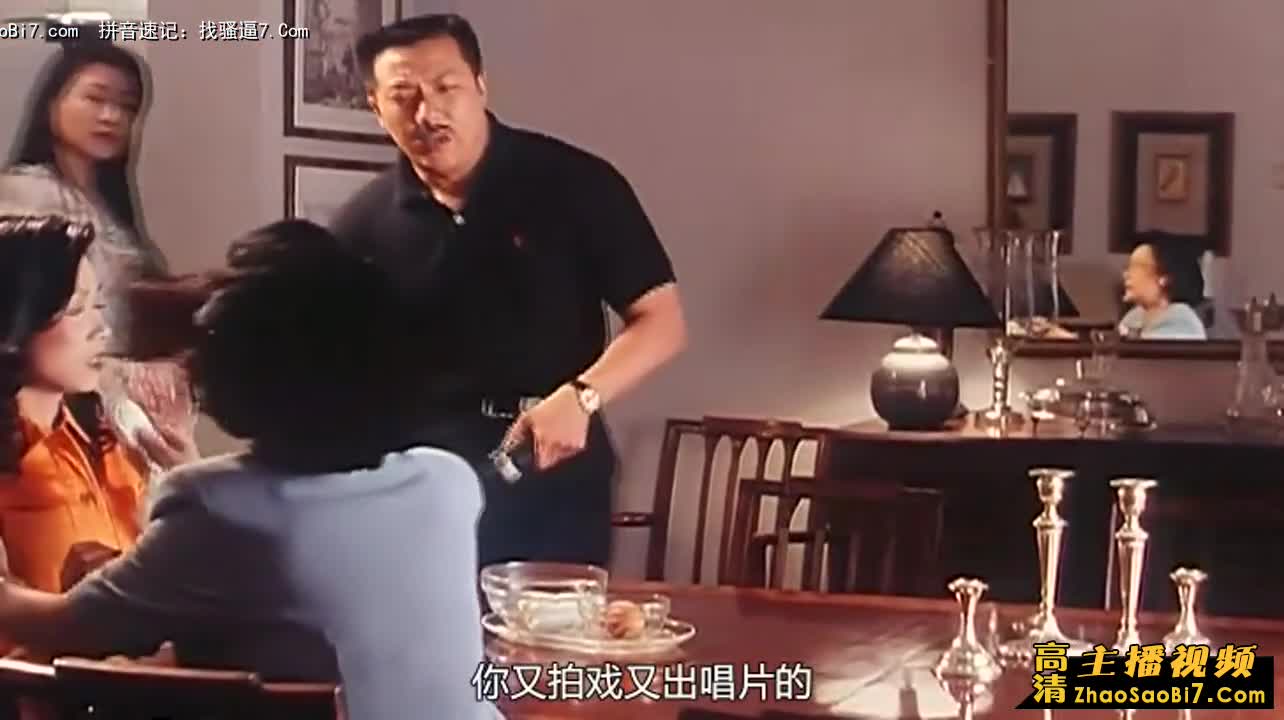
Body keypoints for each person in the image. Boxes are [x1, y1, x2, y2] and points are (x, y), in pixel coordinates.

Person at [0, 220, 498, 720]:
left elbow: (68, 627)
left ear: (238, 369)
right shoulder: (449, 483)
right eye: (77, 308)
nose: (102, 329)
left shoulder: (213, 506)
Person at [333, 14, 687, 569]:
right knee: (436, 626)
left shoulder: (575, 182)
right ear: (377, 108)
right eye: (403, 97)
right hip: (423, 480)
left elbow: (662, 322)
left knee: (554, 624)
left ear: (480, 86)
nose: (428, 113)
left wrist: (582, 397)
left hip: (557, 464)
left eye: (446, 87)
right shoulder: (361, 224)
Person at [0, 39, 196, 477]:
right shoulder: (24, 196)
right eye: (95, 98)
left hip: (117, 414)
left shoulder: (109, 206)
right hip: (55, 411)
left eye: (127, 107)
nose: (111, 117)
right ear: (52, 103)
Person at [0, 215, 191, 596]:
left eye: (98, 304)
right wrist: (73, 603)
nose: (101, 328)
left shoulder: (111, 439)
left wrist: (185, 473)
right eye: (76, 309)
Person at [1117, 231, 1207, 340]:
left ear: (1164, 278)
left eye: (1136, 266)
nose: (1126, 274)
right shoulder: (1134, 317)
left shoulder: (1181, 321)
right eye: (1128, 267)